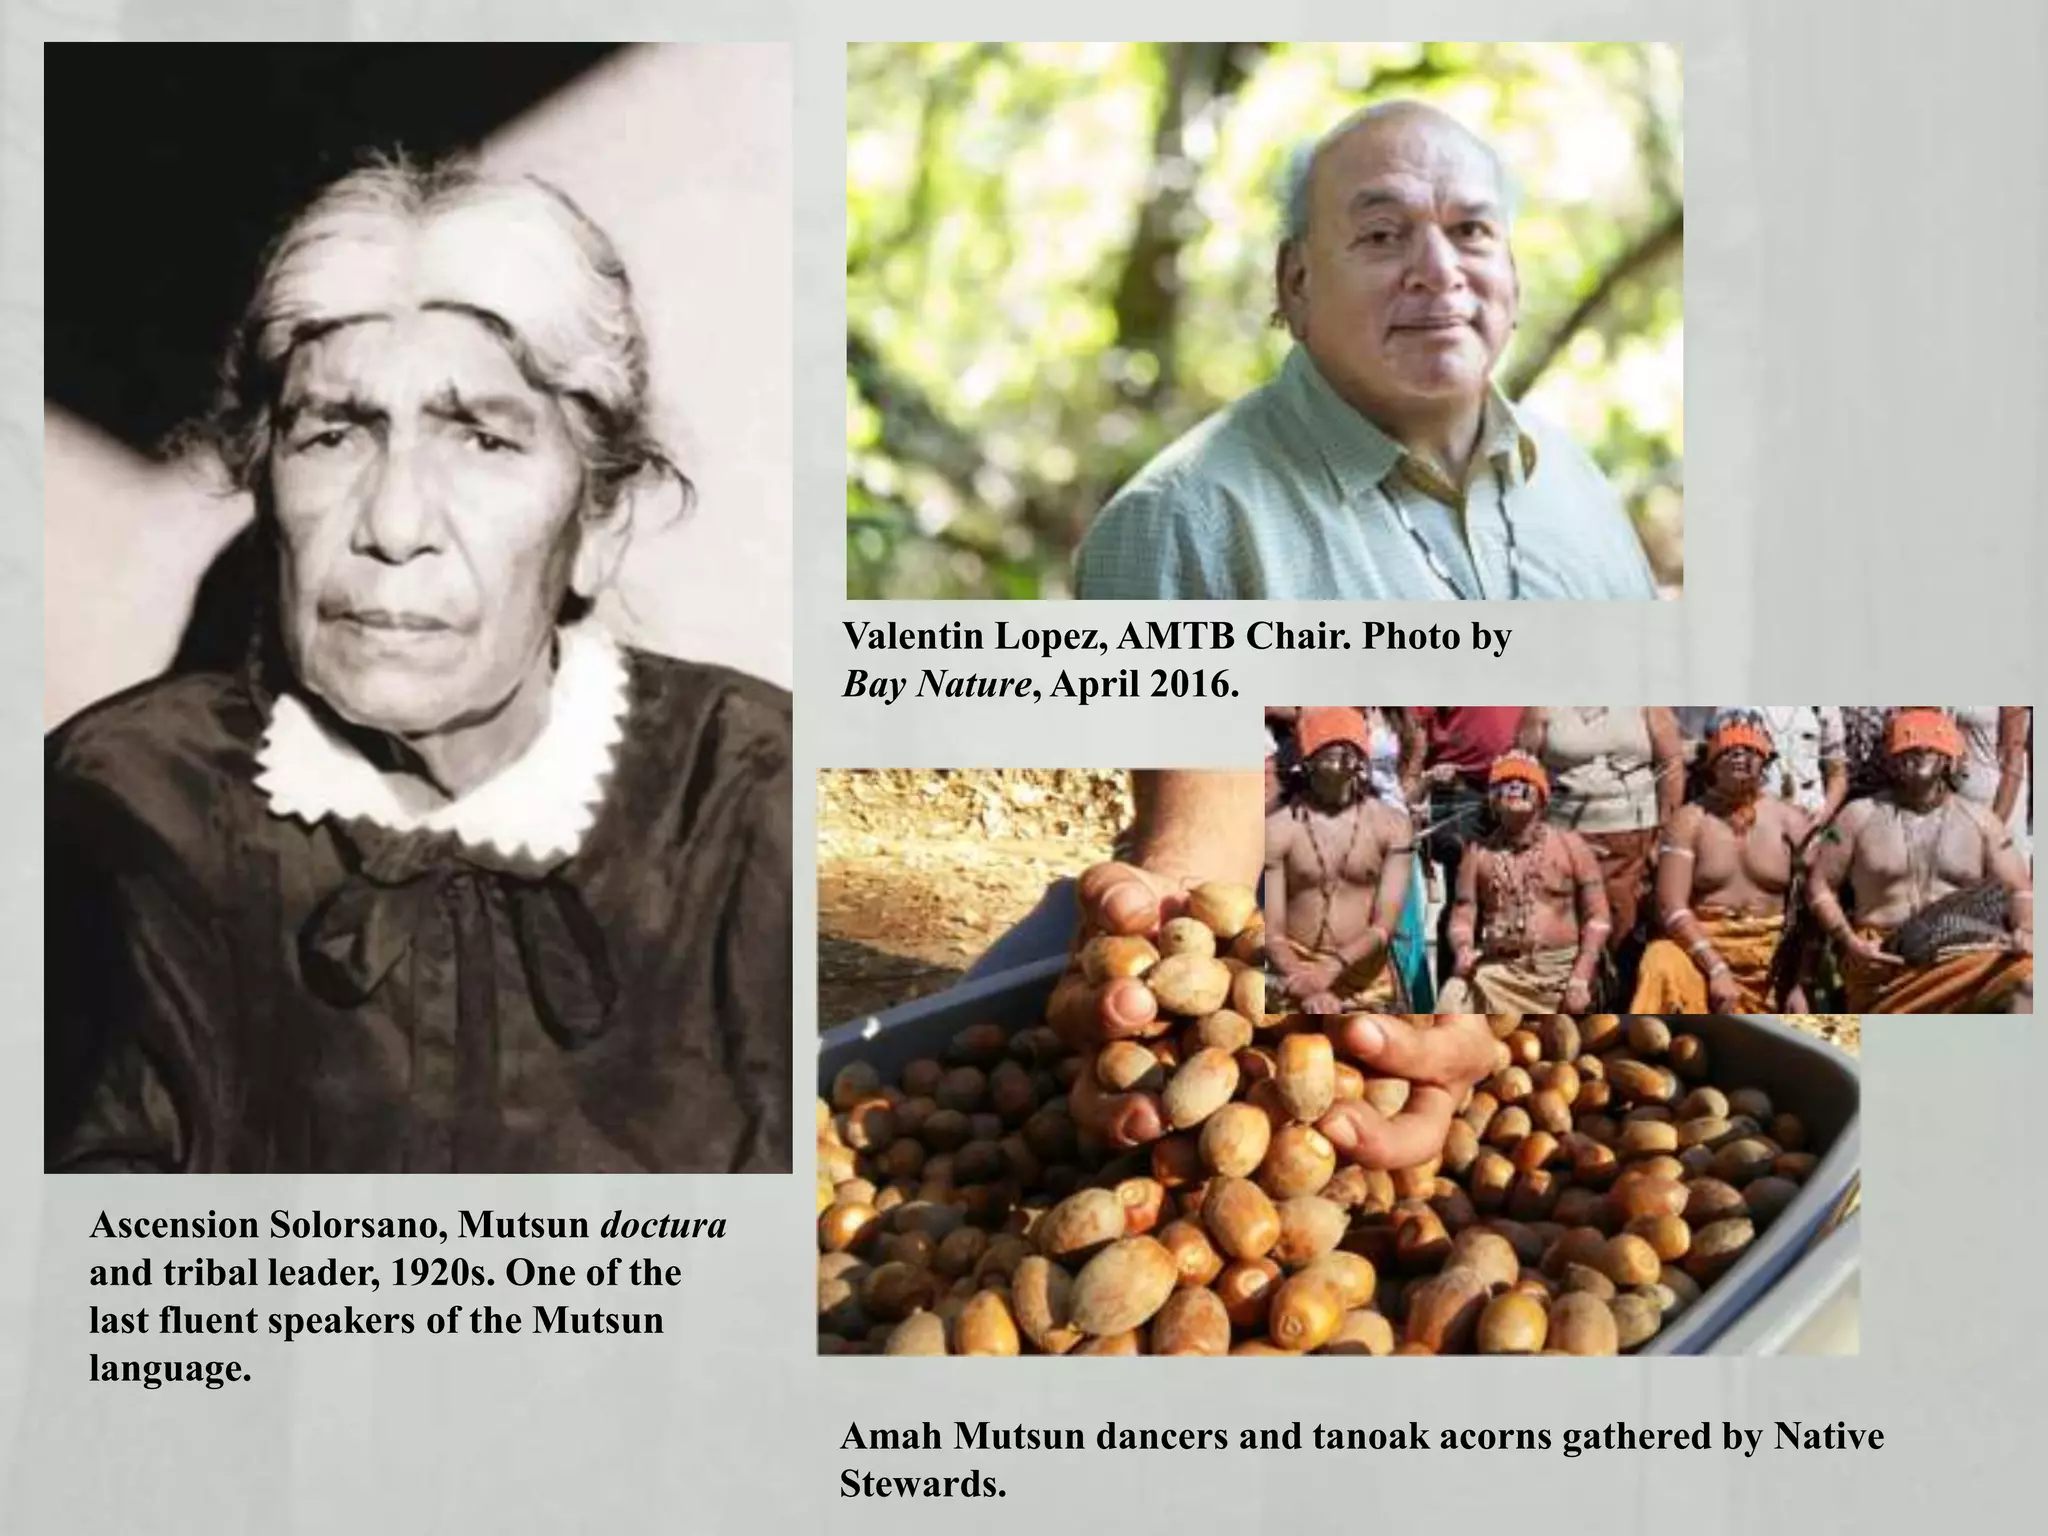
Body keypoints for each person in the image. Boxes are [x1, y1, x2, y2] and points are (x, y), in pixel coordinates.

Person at [45, 156, 792, 1173]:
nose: (394, 525)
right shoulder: (114, 808)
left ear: (600, 522)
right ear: (265, 486)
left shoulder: (757, 793)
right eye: (333, 436)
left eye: (483, 440)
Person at [1071, 100, 1659, 601]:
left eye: (1470, 232)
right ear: (1296, 283)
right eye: (1382, 235)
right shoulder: (1180, 524)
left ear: (1513, 274)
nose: (1438, 271)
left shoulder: (1571, 476)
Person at [1807, 709, 2033, 1013]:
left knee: (2028, 984)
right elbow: (1820, 885)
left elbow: (2020, 889)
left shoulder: (1982, 821)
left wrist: (2026, 928)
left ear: (1949, 759)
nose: (1918, 755)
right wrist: (1849, 942)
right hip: (1883, 961)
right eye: (1908, 750)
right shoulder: (1856, 816)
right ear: (1891, 760)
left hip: (1963, 955)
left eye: (1929, 749)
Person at [1632, 712, 1811, 1013]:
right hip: (1702, 950)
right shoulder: (1689, 820)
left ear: (1765, 758)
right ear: (1712, 762)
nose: (1740, 757)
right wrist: (1715, 967)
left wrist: (1799, 983)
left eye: (1750, 750)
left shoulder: (1791, 821)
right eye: (1729, 750)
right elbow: (1670, 907)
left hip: (1772, 958)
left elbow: (1813, 910)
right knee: (1660, 960)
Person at [1263, 708, 1415, 1012]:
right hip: (1293, 976)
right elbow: (1272, 931)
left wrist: (1331, 969)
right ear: (1306, 762)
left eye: (1347, 750)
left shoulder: (1393, 826)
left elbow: (1385, 925)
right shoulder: (1278, 828)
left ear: (1361, 761)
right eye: (1327, 750)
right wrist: (1300, 978)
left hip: (1367, 981)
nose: (1339, 758)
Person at [1437, 753, 1610, 1012]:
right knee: (1451, 1002)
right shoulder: (1477, 854)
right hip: (1498, 972)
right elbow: (1463, 914)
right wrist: (1463, 949)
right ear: (1492, 800)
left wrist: (1581, 975)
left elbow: (1598, 917)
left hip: (1561, 973)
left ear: (1542, 796)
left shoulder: (1571, 845)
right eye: (1505, 781)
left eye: (1523, 780)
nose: (1514, 787)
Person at [1519, 705, 1682, 961]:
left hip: (1632, 841)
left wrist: (1664, 835)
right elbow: (1523, 767)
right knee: (1568, 925)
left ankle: (1622, 997)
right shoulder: (1543, 706)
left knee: (1625, 927)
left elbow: (1671, 765)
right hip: (1563, 841)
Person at [1415, 706, 1521, 983]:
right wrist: (1419, 779)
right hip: (1459, 787)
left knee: (1517, 891)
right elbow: (1416, 721)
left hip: (1518, 782)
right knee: (1465, 894)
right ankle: (1457, 988)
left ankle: (1502, 988)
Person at [1952, 706, 2031, 864]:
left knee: (2006, 879)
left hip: (2000, 802)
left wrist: (1994, 830)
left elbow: (2013, 762)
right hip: (1961, 804)